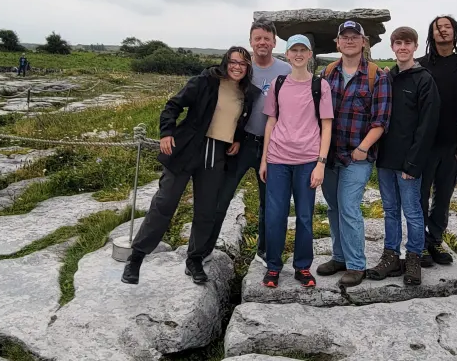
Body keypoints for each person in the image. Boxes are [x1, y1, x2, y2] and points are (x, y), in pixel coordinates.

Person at [121, 47, 260, 285]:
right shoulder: (205, 81)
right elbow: (173, 105)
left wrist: (236, 139)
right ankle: (136, 257)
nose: (237, 67)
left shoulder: (248, 92)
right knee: (165, 203)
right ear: (225, 62)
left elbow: (238, 120)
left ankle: (194, 259)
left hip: (215, 154)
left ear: (248, 68)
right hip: (189, 149)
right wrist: (166, 133)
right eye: (233, 62)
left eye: (243, 64)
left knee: (206, 210)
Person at [205, 19, 291, 264]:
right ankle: (205, 247)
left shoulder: (285, 71)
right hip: (241, 143)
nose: (262, 42)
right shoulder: (242, 68)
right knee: (223, 196)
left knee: (270, 202)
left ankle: (265, 250)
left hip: (273, 146)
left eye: (267, 38)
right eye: (257, 38)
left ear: (275, 42)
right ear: (251, 41)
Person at [317, 20, 392, 288]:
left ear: (364, 42)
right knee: (334, 206)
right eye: (344, 37)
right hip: (330, 154)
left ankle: (356, 264)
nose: (349, 41)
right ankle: (339, 256)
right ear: (337, 42)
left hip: (357, 157)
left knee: (348, 207)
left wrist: (363, 148)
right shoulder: (327, 73)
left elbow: (381, 121)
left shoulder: (377, 76)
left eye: (354, 37)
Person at [258, 34, 333, 289]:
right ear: (287, 55)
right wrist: (264, 159)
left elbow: (326, 125)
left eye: (303, 50)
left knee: (304, 216)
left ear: (310, 54)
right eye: (294, 50)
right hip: (278, 158)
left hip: (308, 160)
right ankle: (273, 267)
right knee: (275, 215)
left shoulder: (320, 85)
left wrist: (321, 163)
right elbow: (271, 121)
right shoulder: (278, 83)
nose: (299, 54)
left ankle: (303, 267)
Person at [368, 27, 440, 286]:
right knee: (389, 210)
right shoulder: (387, 77)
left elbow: (428, 125)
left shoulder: (424, 80)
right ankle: (390, 256)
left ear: (415, 47)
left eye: (407, 43)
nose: (402, 47)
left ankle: (413, 257)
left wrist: (414, 162)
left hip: (409, 160)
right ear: (392, 47)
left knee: (412, 211)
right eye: (398, 43)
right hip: (386, 158)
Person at [417, 15, 457, 267]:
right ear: (431, 34)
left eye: (447, 27)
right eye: (437, 28)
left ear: (455, 32)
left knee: (443, 198)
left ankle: (435, 240)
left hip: (452, 144)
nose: (442, 31)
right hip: (423, 144)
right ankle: (418, 245)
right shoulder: (420, 64)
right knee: (419, 197)